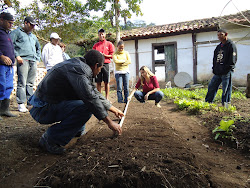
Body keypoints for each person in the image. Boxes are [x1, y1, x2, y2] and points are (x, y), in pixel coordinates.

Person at [28, 50, 124, 155]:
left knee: (84, 101)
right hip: (42, 108)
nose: (100, 71)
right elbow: (90, 98)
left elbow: (93, 92)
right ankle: (51, 139)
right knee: (87, 107)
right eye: (100, 68)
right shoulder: (79, 70)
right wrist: (109, 122)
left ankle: (74, 129)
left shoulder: (79, 65)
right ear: (96, 65)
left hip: (47, 104)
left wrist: (113, 109)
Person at [10, 16, 41, 113]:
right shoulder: (16, 33)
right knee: (22, 82)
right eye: (31, 25)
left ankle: (30, 103)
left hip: (33, 60)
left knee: (30, 83)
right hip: (23, 60)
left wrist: (37, 58)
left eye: (34, 25)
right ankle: (20, 103)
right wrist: (17, 56)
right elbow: (10, 44)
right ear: (26, 23)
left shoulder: (33, 36)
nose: (33, 27)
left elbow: (38, 48)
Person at [205, 29, 237, 106]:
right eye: (218, 35)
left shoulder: (231, 45)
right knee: (211, 87)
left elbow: (233, 60)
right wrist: (214, 69)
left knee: (226, 89)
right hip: (217, 72)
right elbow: (214, 59)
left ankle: (225, 106)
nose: (219, 37)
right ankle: (208, 103)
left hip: (226, 72)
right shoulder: (219, 47)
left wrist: (227, 69)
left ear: (226, 34)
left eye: (221, 35)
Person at [0, 12, 16, 120]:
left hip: (9, 66)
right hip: (1, 64)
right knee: (0, 86)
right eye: (9, 23)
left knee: (8, 87)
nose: (11, 25)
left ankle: (4, 109)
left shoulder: (7, 33)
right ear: (1, 20)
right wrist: (1, 56)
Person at [93, 28, 115, 101]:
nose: (101, 35)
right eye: (100, 34)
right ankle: (100, 97)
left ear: (105, 35)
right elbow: (93, 54)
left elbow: (112, 55)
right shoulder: (96, 45)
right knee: (98, 81)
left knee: (106, 81)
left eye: (102, 34)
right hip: (98, 65)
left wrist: (104, 55)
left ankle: (107, 98)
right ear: (98, 35)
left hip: (106, 64)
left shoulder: (109, 44)